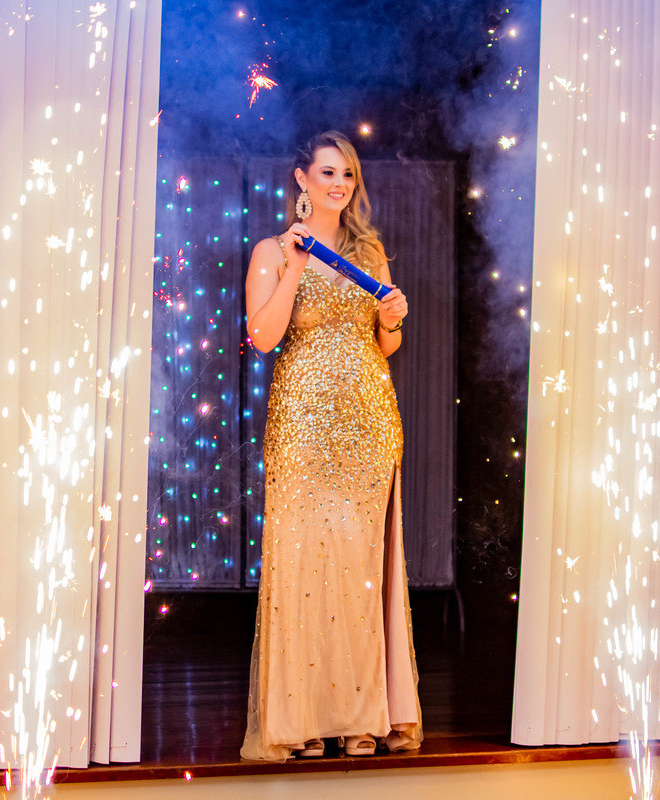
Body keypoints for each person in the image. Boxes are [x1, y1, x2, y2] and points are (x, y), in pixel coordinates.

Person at [240, 130, 423, 762]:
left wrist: (393, 317)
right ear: (301, 179)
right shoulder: (271, 251)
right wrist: (295, 266)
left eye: (347, 174)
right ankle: (305, 720)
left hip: (368, 425)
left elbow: (385, 345)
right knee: (306, 569)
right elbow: (264, 337)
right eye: (327, 172)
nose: (340, 184)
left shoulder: (368, 252)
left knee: (359, 571)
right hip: (303, 426)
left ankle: (361, 716)